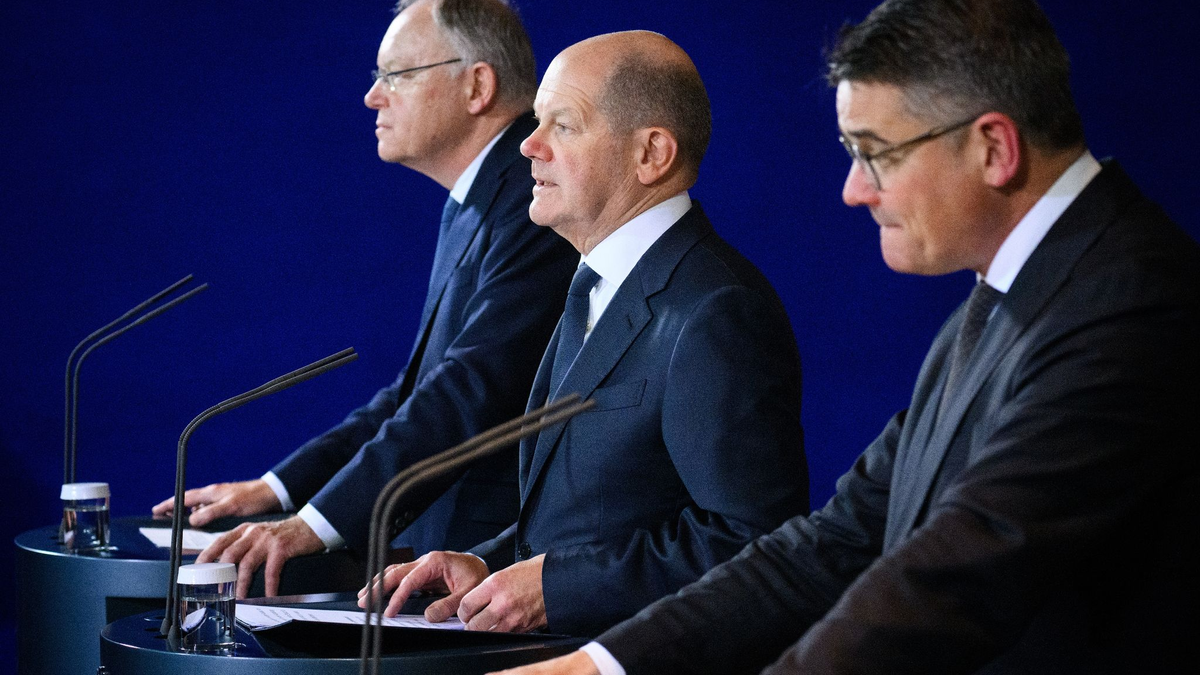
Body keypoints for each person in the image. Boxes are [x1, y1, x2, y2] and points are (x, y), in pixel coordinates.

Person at [495, 0, 1200, 673]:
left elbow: (952, 577)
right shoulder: (994, 305)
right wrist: (601, 663)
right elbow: (831, 542)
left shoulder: (1132, 301)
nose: (854, 190)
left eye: (875, 153)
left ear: (994, 147)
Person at [358, 30, 809, 638]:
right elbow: (590, 519)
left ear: (651, 153)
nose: (529, 146)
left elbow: (755, 543)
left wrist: (555, 587)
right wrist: (491, 564)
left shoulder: (716, 309)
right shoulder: (597, 283)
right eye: (536, 120)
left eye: (563, 125)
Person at [151, 0, 577, 598]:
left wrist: (311, 525)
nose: (373, 98)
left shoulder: (532, 199)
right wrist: (278, 491)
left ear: (477, 84)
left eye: (396, 75)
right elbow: (414, 391)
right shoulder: (481, 198)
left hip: (499, 566)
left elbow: (471, 388)